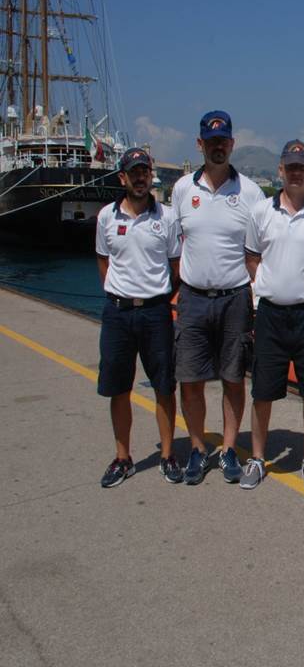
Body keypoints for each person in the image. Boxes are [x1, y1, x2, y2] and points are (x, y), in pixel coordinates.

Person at [170, 110, 264, 485]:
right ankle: (196, 447)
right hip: (192, 297)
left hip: (235, 297)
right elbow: (175, 246)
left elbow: (257, 252)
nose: (217, 147)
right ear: (200, 145)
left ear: (232, 143)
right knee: (190, 379)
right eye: (211, 142)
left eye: (223, 141)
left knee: (232, 378)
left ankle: (227, 448)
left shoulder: (251, 193)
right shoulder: (181, 190)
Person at [240, 140, 304, 490]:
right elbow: (252, 258)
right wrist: (269, 285)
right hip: (271, 316)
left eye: (301, 167)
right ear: (280, 170)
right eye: (290, 166)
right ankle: (258, 458)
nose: (295, 172)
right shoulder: (261, 213)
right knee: (262, 392)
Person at [95, 147, 182, 487]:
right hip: (117, 314)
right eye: (134, 173)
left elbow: (176, 267)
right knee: (119, 388)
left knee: (164, 386)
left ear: (151, 175)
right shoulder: (106, 217)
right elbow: (103, 261)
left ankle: (168, 455)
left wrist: (154, 296)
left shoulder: (167, 217)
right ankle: (122, 457)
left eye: (144, 172)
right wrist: (119, 294)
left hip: (156, 313)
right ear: (123, 178)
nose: (140, 178)